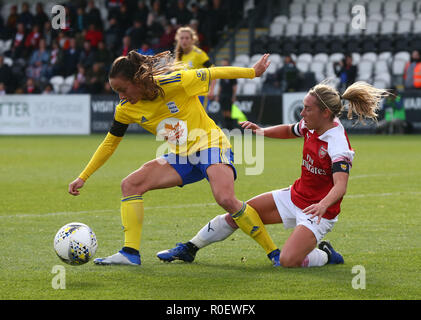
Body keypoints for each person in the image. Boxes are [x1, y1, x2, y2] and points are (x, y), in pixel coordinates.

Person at [68, 51, 282, 266]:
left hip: (210, 144)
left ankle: (274, 253)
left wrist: (252, 72)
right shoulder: (125, 109)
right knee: (131, 185)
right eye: (116, 92)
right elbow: (109, 143)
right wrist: (83, 177)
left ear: (137, 81)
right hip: (182, 156)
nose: (121, 96)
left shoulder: (175, 82)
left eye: (123, 90)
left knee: (225, 198)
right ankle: (129, 253)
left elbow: (213, 72)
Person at [158, 80, 387, 268]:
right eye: (304, 107)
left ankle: (327, 255)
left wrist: (322, 206)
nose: (302, 112)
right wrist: (261, 131)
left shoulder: (337, 143)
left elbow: (340, 187)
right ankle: (189, 248)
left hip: (318, 212)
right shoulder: (311, 124)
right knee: (239, 214)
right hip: (294, 196)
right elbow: (290, 130)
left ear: (325, 113)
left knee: (289, 261)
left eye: (308, 108)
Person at [174, 26, 215, 106]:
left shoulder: (198, 54)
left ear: (192, 40)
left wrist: (211, 90)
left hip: (200, 95)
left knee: (201, 119)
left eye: (187, 38)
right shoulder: (179, 56)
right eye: (181, 38)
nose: (184, 41)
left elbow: (214, 71)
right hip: (186, 95)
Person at [216, 58, 238, 130]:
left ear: (228, 65)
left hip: (229, 95)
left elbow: (234, 86)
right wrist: (218, 95)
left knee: (229, 112)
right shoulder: (222, 75)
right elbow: (220, 86)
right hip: (222, 95)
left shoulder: (232, 74)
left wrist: (234, 96)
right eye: (223, 65)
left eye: (225, 65)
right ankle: (226, 127)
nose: (223, 67)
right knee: (224, 112)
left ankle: (230, 127)